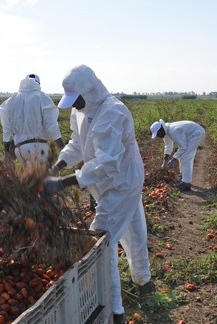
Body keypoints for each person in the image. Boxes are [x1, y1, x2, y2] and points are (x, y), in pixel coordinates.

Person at [44, 64, 152, 324]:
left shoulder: (112, 112)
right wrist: (56, 166)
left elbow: (107, 163)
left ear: (90, 90)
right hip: (108, 182)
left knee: (102, 240)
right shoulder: (80, 111)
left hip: (121, 181)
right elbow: (77, 144)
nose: (75, 105)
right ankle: (143, 280)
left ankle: (115, 312)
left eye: (77, 99)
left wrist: (63, 182)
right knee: (133, 229)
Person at [0, 73, 64, 167]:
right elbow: (52, 127)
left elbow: (6, 130)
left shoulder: (11, 100)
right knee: (43, 179)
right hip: (39, 148)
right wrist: (63, 147)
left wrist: (7, 153)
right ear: (38, 84)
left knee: (29, 178)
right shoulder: (42, 98)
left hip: (20, 149)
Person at [150, 119, 206, 191]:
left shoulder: (173, 131)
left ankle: (186, 183)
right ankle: (183, 176)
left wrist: (173, 159)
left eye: (158, 134)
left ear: (161, 130)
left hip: (196, 134)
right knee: (183, 155)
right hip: (192, 133)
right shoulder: (166, 132)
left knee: (186, 157)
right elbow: (168, 146)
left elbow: (183, 147)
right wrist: (165, 161)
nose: (158, 136)